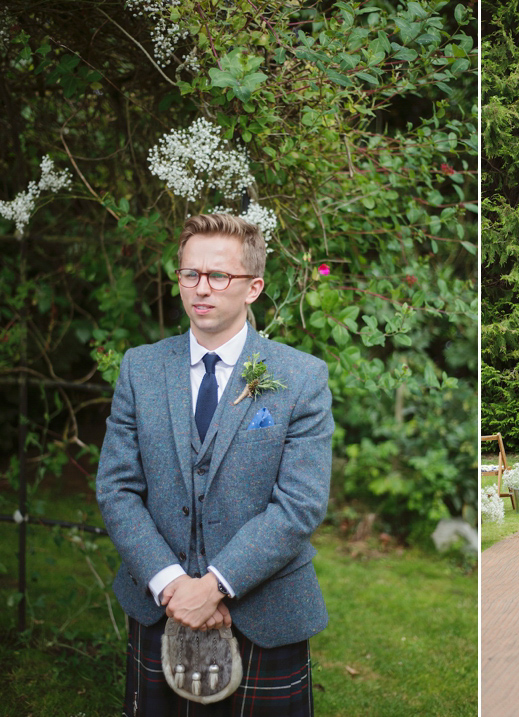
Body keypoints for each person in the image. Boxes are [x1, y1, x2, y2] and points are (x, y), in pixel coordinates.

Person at [96, 214, 334, 715]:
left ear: (253, 287)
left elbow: (300, 504)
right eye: (190, 274)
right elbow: (117, 488)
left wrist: (216, 585)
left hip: (264, 615)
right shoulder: (140, 368)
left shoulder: (301, 377)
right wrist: (171, 585)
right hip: (162, 607)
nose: (201, 289)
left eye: (218, 276)